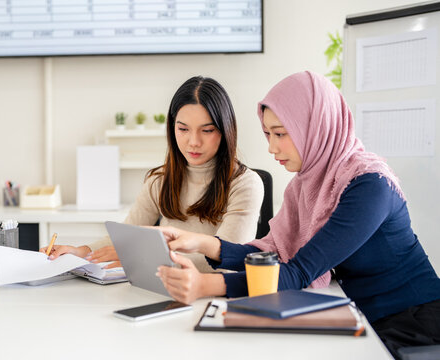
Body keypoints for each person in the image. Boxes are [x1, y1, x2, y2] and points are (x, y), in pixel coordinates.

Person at [156, 71, 440, 359]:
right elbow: (275, 257)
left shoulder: (369, 185)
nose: (272, 147)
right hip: (359, 314)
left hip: (412, 323)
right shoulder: (307, 185)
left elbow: (300, 271)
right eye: (268, 134)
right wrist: (202, 243)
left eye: (281, 134)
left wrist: (206, 285)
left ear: (315, 127)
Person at [41, 76, 263, 272]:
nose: (193, 142)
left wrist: (139, 258)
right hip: (163, 288)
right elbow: (125, 238)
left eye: (207, 130)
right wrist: (81, 251)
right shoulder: (160, 180)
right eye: (183, 129)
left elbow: (227, 259)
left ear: (225, 130)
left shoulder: (245, 184)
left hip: (214, 295)